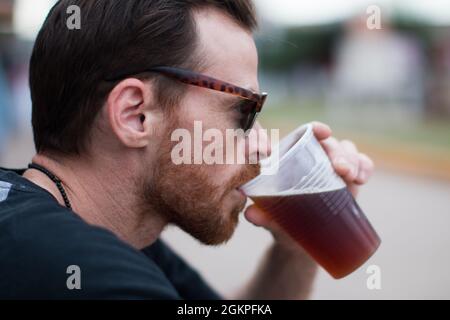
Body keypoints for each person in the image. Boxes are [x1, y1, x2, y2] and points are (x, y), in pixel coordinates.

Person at [0, 0, 374, 299]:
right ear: (136, 115)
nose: (261, 146)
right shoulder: (99, 276)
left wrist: (295, 248)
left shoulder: (99, 237)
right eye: (244, 111)